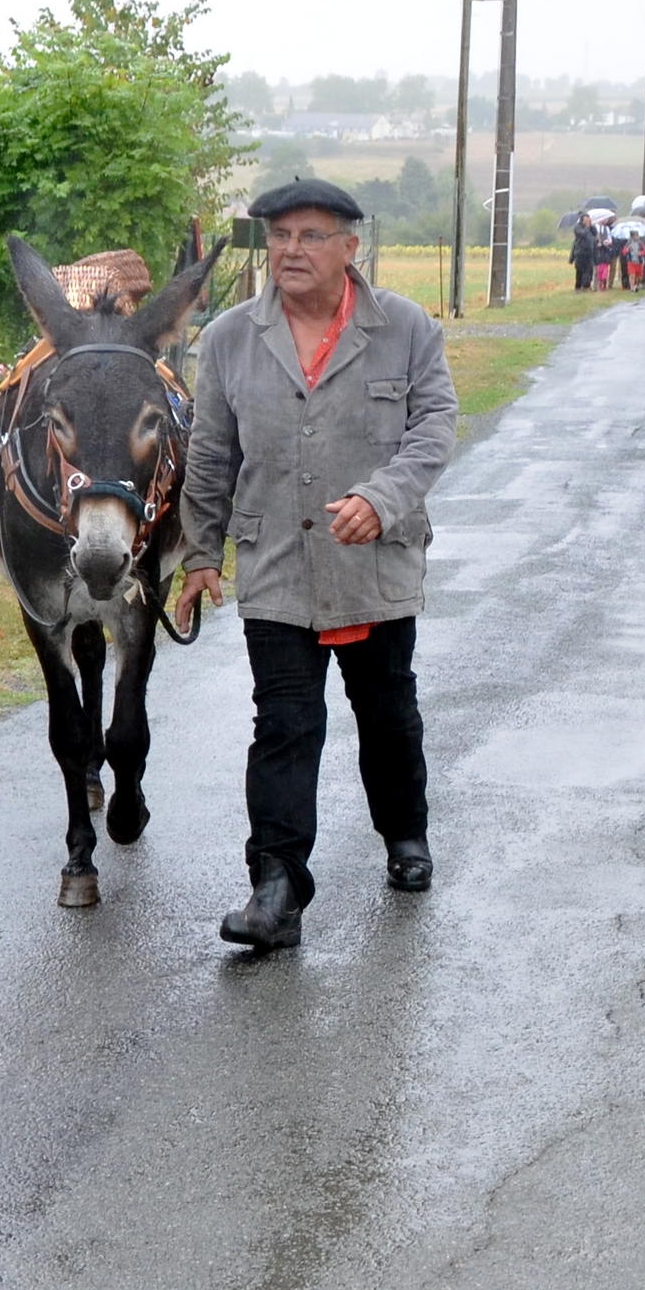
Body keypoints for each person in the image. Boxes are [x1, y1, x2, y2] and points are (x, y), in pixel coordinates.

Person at [175, 178, 459, 951]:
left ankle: (405, 833)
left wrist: (385, 496)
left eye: (309, 236)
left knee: (387, 714)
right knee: (285, 725)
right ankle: (276, 887)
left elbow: (435, 426)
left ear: (348, 247)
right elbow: (208, 454)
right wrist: (200, 551)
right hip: (276, 562)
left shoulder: (404, 327)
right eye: (279, 237)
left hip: (373, 562)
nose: (290, 251)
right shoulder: (231, 337)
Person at [569, 213, 596, 290]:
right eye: (586, 219)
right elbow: (582, 234)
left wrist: (591, 226)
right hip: (580, 251)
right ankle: (578, 286)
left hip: (589, 252)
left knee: (589, 270)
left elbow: (595, 233)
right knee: (580, 271)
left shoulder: (589, 227)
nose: (587, 220)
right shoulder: (577, 227)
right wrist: (587, 227)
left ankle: (586, 286)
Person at [594, 223, 613, 291]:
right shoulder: (595, 227)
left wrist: (608, 242)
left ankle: (604, 284)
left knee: (605, 271)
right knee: (598, 271)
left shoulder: (606, 228)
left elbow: (610, 239)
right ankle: (598, 285)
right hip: (598, 254)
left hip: (605, 253)